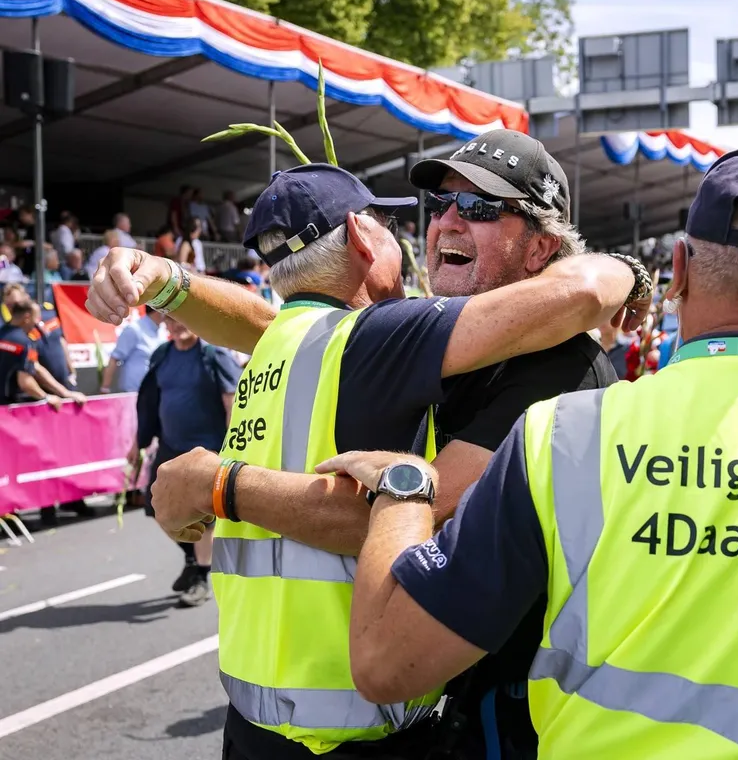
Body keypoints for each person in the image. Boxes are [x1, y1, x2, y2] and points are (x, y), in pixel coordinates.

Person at [322, 141, 738, 760]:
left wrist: (404, 487)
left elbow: (386, 662)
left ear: (679, 271)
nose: (449, 220)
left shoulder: (562, 435)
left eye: (478, 206)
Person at [87, 149, 649, 760]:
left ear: (541, 250)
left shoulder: (561, 365)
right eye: (441, 205)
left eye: (480, 206)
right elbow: (275, 323)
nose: (446, 223)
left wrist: (217, 485)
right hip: (353, 720)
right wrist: (160, 276)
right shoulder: (397, 333)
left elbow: (420, 515)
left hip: (499, 711)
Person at [133, 317, 241, 605]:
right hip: (170, 447)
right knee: (156, 507)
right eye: (169, 319)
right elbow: (150, 403)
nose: (176, 324)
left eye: (181, 318)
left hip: (207, 450)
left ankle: (201, 577)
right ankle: (194, 560)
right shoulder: (162, 355)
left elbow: (232, 401)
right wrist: (138, 443)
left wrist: (229, 450)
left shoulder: (213, 354)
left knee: (204, 519)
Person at [101, 309, 167, 394]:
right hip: (133, 393)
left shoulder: (162, 332)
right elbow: (114, 358)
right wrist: (105, 387)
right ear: (158, 310)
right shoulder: (134, 329)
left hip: (155, 392)